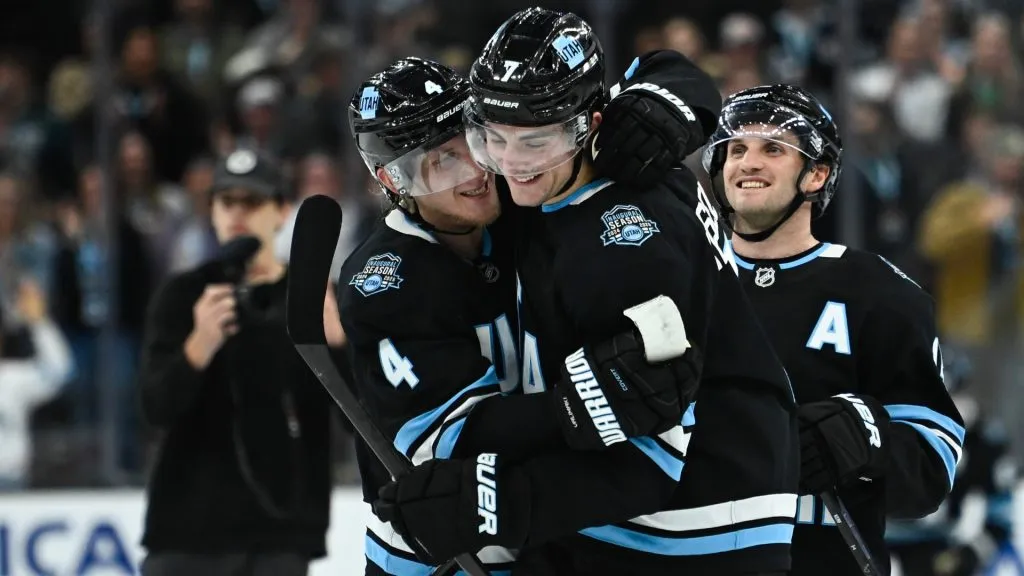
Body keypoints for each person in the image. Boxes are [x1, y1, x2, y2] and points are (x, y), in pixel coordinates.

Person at [374, 8, 800, 576]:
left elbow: (652, 445)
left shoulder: (613, 245)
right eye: (492, 140)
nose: (509, 165)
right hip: (724, 487)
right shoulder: (608, 162)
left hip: (691, 520)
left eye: (536, 144)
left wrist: (496, 503)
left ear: (589, 122)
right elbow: (662, 67)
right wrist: (674, 97)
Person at [341, 54, 702, 575]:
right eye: (441, 161)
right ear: (392, 180)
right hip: (439, 548)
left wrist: (661, 107)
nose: (475, 173)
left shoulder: (525, 200)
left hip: (543, 534)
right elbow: (450, 438)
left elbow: (666, 74)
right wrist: (581, 403)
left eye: (475, 142)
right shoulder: (384, 284)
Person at [700, 84, 965, 576]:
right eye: (736, 149)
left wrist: (864, 440)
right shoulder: (680, 280)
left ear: (816, 174)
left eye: (773, 149)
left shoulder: (879, 291)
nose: (748, 162)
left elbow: (932, 463)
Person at [138, 147, 343, 576]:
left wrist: (339, 346)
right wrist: (199, 344)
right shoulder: (184, 294)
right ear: (211, 209)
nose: (237, 213)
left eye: (252, 202)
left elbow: (354, 420)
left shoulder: (313, 298)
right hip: (187, 530)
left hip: (280, 534)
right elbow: (155, 408)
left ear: (282, 211)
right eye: (227, 201)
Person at [886, 346, 1019, 576]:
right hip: (867, 537)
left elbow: (1002, 514)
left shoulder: (981, 439)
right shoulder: (885, 419)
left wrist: (971, 554)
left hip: (934, 550)